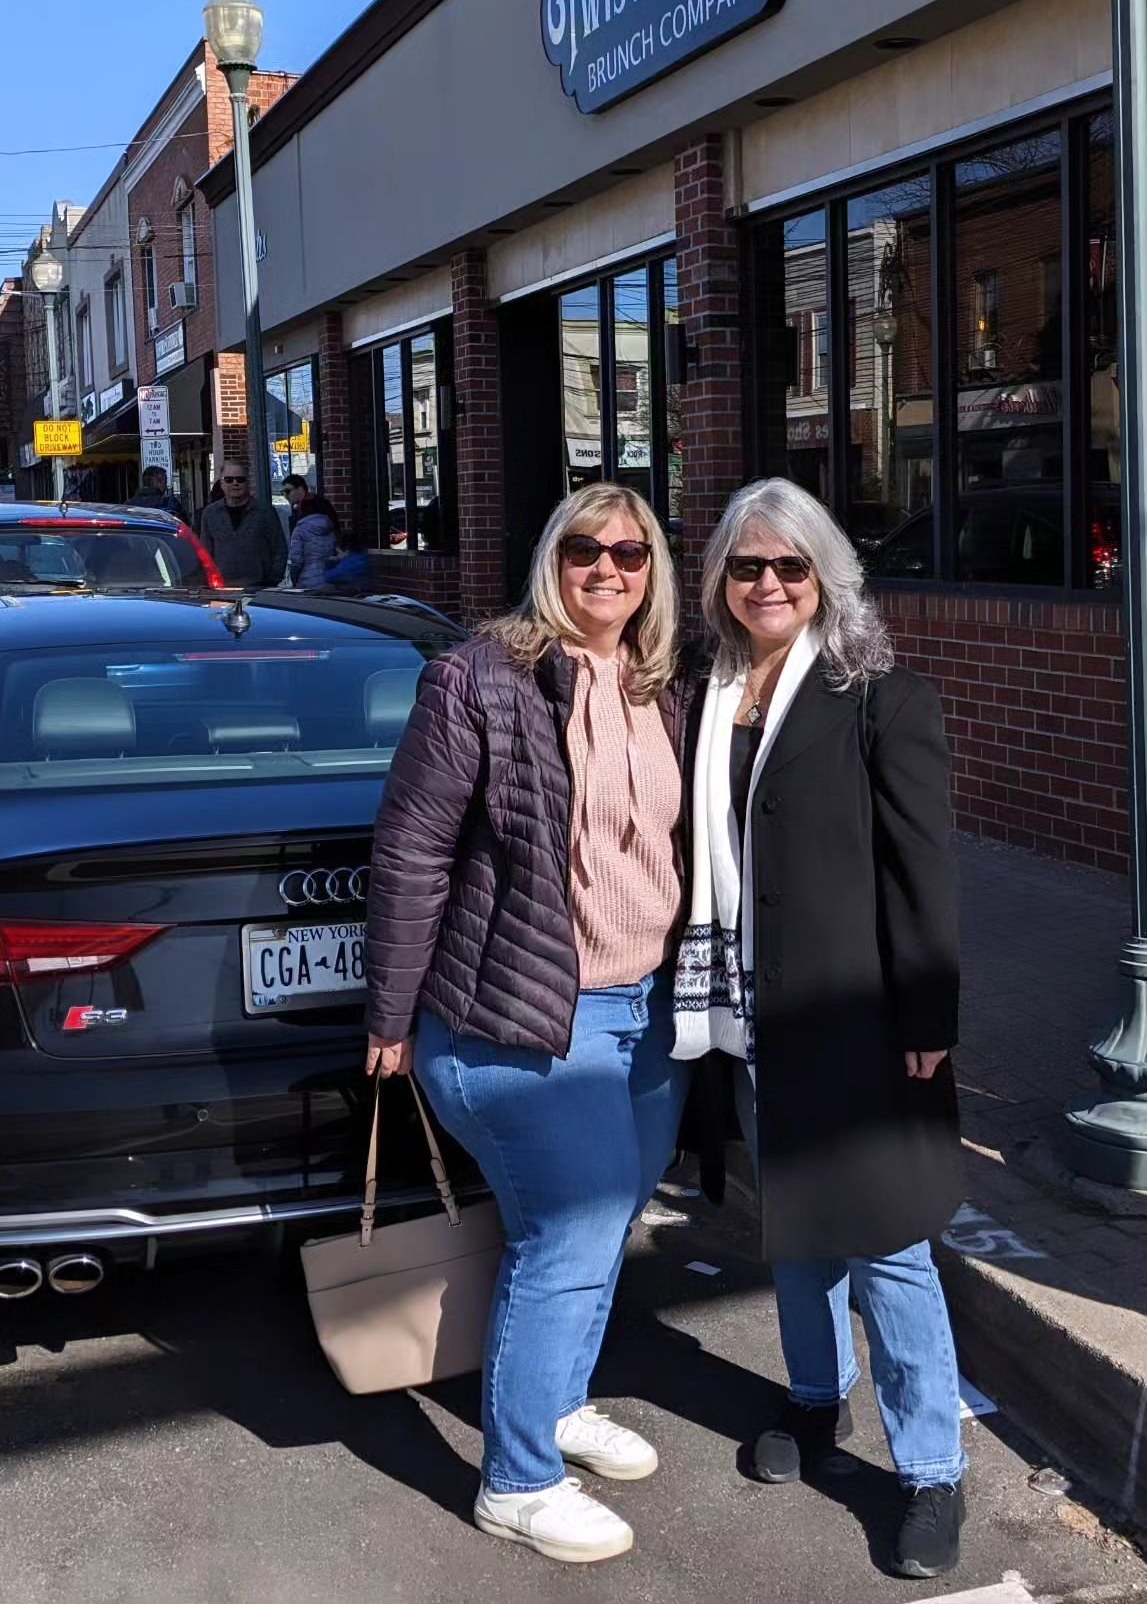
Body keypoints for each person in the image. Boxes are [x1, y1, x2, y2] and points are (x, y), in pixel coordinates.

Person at [365, 481, 691, 1567]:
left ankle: (553, 1405)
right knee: (572, 1230)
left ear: (654, 572)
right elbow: (411, 848)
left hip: (646, 1015)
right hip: (523, 1016)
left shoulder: (662, 683)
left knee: (604, 1222)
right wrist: (392, 1008)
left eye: (631, 554)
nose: (608, 569)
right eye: (586, 549)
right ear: (554, 557)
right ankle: (517, 1480)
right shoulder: (480, 677)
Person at [674, 476, 966, 1582]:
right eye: (748, 566)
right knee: (792, 1224)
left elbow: (923, 868)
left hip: (855, 1006)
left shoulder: (879, 696)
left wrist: (928, 1012)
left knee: (889, 1244)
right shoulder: (708, 696)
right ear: (722, 582)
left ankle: (931, 1470)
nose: (768, 584)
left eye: (790, 566)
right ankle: (813, 1401)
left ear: (825, 576)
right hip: (745, 1008)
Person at [197, 462, 288, 588]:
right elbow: (205, 553)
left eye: (240, 479)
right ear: (221, 484)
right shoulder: (210, 513)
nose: (235, 483)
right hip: (222, 589)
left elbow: (279, 550)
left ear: (247, 483)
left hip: (258, 588)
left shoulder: (264, 512)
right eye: (229, 480)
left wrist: (271, 581)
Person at [288, 496, 339, 591]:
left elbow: (296, 560)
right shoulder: (330, 527)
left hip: (307, 580)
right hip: (330, 579)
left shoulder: (300, 529)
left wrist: (294, 578)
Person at [321, 527, 374, 596]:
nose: (338, 555)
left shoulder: (351, 563)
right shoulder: (361, 558)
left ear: (347, 550)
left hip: (355, 596)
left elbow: (330, 577)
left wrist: (329, 562)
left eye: (338, 552)